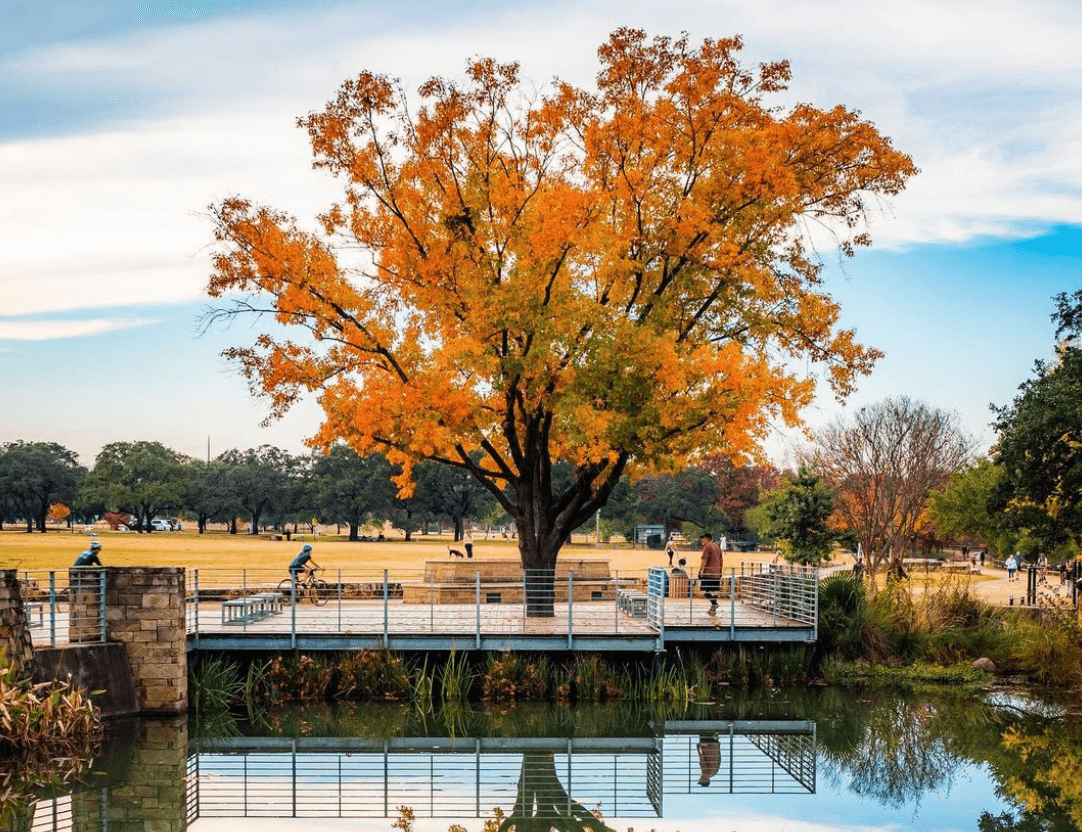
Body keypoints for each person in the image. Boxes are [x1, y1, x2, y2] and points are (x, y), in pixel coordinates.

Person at [698, 532, 723, 617]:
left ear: (707, 539)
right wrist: (720, 571)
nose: (702, 540)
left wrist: (700, 571)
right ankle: (713, 610)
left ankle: (714, 603)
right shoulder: (717, 546)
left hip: (708, 573)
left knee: (705, 591)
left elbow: (704, 560)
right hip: (717, 573)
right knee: (714, 591)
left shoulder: (707, 547)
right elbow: (721, 559)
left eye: (703, 539)